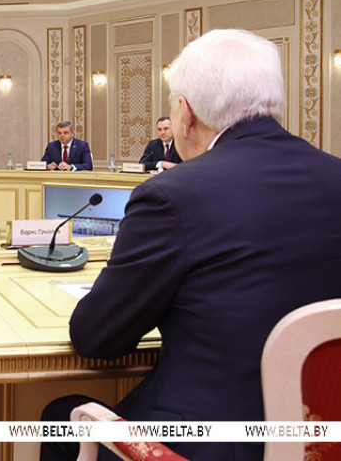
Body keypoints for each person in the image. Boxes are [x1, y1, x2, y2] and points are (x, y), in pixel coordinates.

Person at [41, 29, 341, 461]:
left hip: (213, 443)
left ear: (185, 114)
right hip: (324, 435)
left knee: (59, 418)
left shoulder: (172, 195)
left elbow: (96, 337)